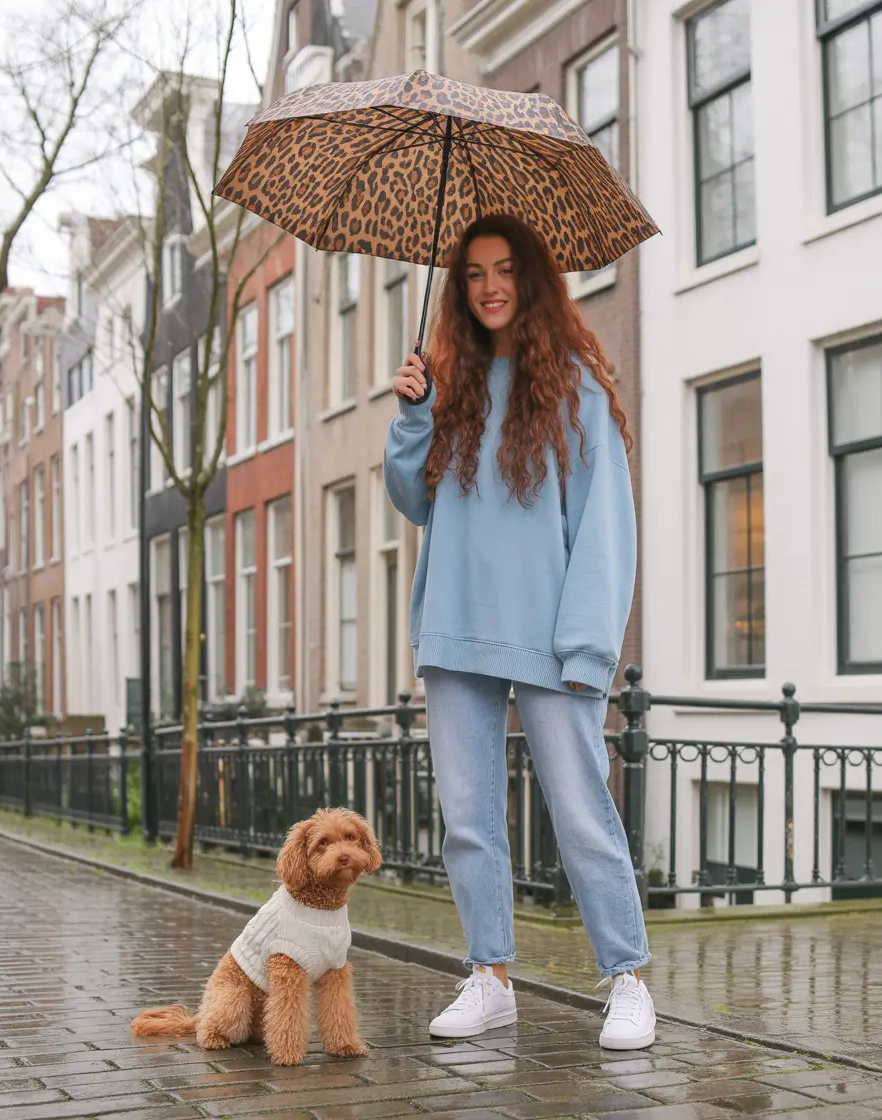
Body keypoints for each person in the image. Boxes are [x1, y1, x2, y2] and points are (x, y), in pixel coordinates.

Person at [382, 213, 654, 1051]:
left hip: (549, 638)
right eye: (473, 274)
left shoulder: (574, 385)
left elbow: (605, 530)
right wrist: (412, 413)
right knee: (466, 817)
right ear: (459, 289)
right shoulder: (448, 383)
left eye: (503, 270)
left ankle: (629, 978)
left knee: (579, 813)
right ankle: (490, 977)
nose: (490, 285)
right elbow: (413, 499)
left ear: (529, 280)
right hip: (454, 628)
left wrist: (587, 650)